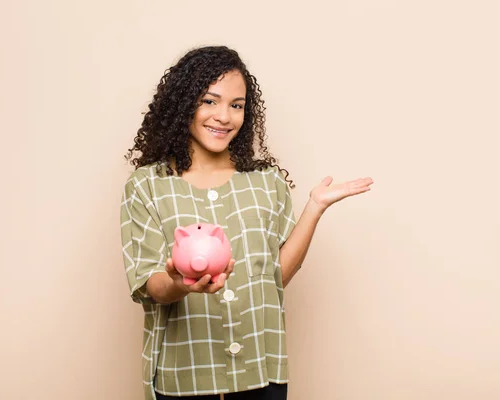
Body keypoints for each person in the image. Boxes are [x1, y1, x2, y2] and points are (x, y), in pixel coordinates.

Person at [120, 46, 373, 400]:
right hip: (185, 375)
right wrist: (180, 284)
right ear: (183, 104)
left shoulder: (266, 182)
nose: (224, 116)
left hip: (261, 371)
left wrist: (314, 209)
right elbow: (149, 283)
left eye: (237, 105)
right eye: (210, 101)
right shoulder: (148, 185)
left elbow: (274, 278)